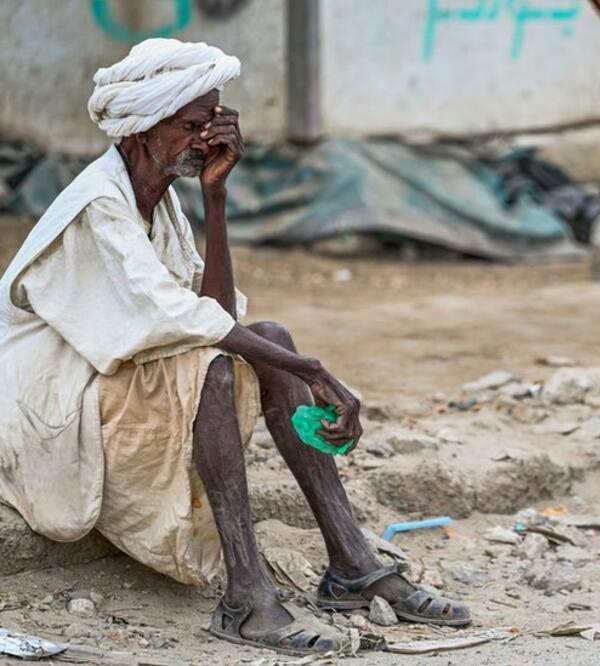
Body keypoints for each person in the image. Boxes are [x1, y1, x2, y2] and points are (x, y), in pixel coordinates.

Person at [0, 38, 469, 657]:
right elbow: (176, 319)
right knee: (217, 367)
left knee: (268, 338)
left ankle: (352, 562)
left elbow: (215, 311)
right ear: (143, 128)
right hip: (42, 402)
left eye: (214, 124)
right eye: (193, 126)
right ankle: (246, 596)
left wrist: (215, 197)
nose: (207, 140)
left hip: (97, 379)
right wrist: (315, 370)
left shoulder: (158, 203)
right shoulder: (98, 206)